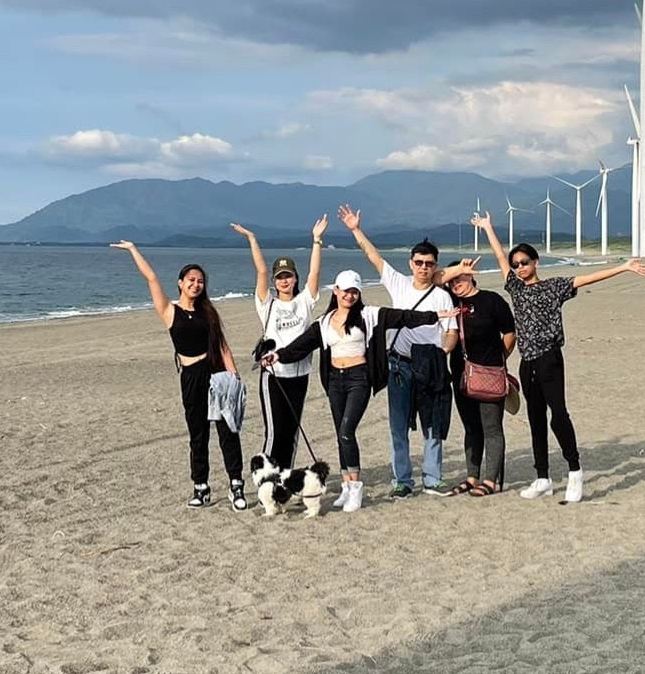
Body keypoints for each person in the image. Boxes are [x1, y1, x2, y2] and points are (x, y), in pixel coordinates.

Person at [470, 211, 645, 504]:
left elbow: (589, 277)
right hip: (527, 362)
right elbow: (500, 256)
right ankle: (542, 478)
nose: (519, 268)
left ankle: (575, 470)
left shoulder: (554, 287)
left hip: (550, 359)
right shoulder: (515, 288)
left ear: (536, 262)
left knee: (559, 415)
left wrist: (623, 267)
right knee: (535, 418)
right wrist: (488, 227)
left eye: (524, 262)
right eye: (516, 264)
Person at [262, 269, 462, 513]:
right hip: (335, 381)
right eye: (346, 291)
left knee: (347, 431)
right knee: (340, 433)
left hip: (359, 380)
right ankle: (346, 487)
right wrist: (278, 356)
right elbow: (301, 346)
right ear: (336, 291)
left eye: (355, 291)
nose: (350, 295)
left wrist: (435, 315)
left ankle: (356, 488)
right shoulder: (324, 322)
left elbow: (403, 317)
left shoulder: (369, 315)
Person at [113, 241, 248, 510]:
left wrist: (234, 376)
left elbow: (222, 346)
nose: (196, 284)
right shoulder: (169, 311)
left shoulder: (208, 313)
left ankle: (236, 485)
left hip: (216, 374)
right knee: (198, 434)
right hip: (190, 375)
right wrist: (133, 250)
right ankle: (201, 488)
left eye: (200, 281)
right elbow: (151, 278)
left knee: (227, 431)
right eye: (191, 280)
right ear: (180, 283)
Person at [336, 204, 456, 497]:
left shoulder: (443, 296)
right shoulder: (398, 283)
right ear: (411, 263)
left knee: (433, 424)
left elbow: (451, 331)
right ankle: (402, 481)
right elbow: (374, 257)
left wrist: (442, 353)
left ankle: (432, 478)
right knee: (398, 426)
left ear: (436, 266)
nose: (423, 267)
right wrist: (355, 229)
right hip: (399, 365)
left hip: (431, 365)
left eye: (429, 263)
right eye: (419, 262)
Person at [233, 216, 328, 470]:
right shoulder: (267, 304)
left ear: (295, 278)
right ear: (275, 282)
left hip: (300, 375)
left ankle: (284, 477)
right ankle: (266, 478)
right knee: (275, 433)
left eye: (289, 276)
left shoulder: (305, 301)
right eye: (280, 277)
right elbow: (261, 271)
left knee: (292, 431)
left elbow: (315, 273)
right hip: (274, 376)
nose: (284, 281)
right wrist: (252, 239)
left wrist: (317, 240)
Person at [439, 257, 515, 497]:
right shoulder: (450, 301)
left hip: (490, 373)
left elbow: (510, 333)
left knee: (491, 428)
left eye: (460, 278)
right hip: (461, 375)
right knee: (471, 428)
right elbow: (432, 279)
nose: (456, 283)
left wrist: (498, 358)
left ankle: (491, 480)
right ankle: (472, 477)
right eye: (452, 281)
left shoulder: (492, 300)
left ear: (471, 275)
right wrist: (455, 270)